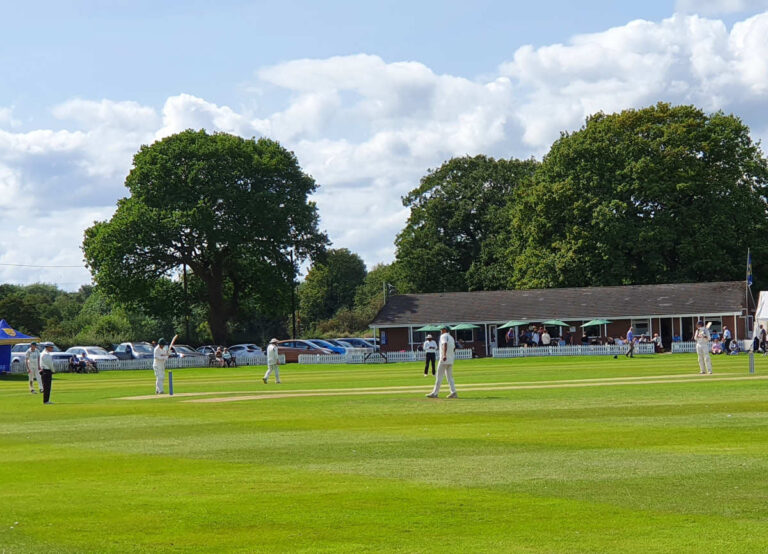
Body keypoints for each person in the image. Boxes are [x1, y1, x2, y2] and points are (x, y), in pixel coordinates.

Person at [426, 326, 457, 399]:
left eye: (442, 329)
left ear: (445, 330)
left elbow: (444, 344)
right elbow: (454, 348)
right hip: (451, 359)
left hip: (444, 359)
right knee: (449, 377)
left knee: (439, 376)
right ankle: (453, 392)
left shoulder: (443, 336)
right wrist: (450, 356)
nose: (441, 330)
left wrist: (444, 355)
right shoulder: (451, 337)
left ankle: (435, 393)